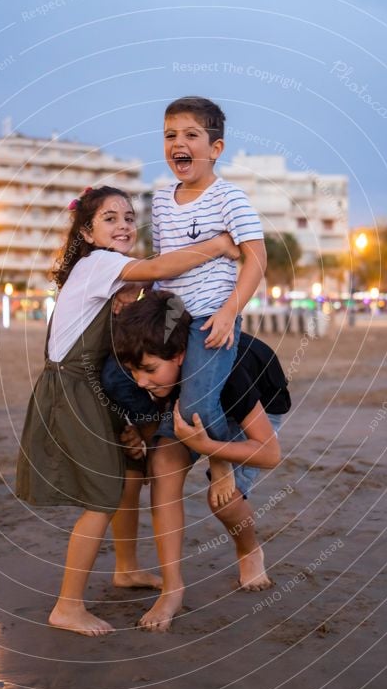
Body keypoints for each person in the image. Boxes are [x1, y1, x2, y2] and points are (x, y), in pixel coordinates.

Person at [15, 185, 239, 637]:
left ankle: (126, 567)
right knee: (101, 496)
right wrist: (216, 245)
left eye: (128, 218)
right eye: (110, 219)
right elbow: (158, 267)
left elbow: (144, 289)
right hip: (72, 389)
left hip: (89, 385)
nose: (122, 226)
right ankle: (67, 606)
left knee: (130, 475)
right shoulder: (100, 264)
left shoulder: (110, 274)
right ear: (89, 232)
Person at [103, 95, 267, 517]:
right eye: (170, 135)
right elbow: (162, 265)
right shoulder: (160, 200)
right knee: (117, 375)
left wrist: (230, 310)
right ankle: (140, 436)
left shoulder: (230, 199)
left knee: (196, 403)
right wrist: (139, 305)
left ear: (216, 149)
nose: (180, 142)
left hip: (211, 314)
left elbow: (256, 258)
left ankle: (220, 459)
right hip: (169, 312)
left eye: (192, 135)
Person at [110, 290, 291, 632]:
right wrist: (138, 434)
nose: (140, 381)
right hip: (187, 402)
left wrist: (210, 447)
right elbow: (158, 401)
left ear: (180, 355)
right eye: (134, 371)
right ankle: (172, 587)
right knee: (162, 465)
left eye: (148, 369)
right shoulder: (159, 373)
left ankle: (248, 550)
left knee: (221, 499)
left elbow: (269, 453)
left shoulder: (229, 371)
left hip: (253, 409)